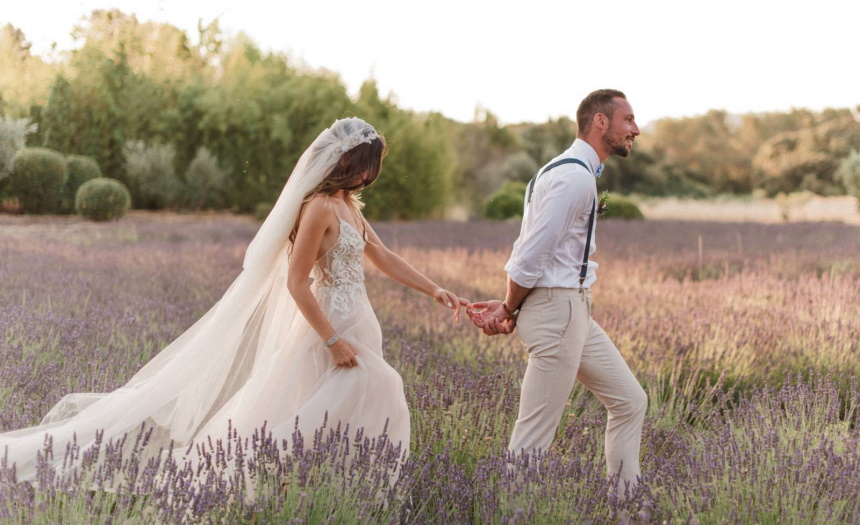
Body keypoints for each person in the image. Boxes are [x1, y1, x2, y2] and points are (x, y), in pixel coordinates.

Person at [0, 117, 466, 483]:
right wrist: (330, 340)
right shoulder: (319, 208)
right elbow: (297, 282)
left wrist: (435, 289)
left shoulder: (350, 205)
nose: (371, 175)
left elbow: (382, 255)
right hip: (328, 327)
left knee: (341, 411)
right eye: (367, 164)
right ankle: (268, 475)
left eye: (374, 166)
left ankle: (332, 485)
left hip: (359, 320)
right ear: (345, 160)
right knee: (374, 392)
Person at [468, 89, 647, 491]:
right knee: (533, 437)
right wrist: (509, 308)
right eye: (628, 120)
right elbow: (530, 256)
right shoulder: (572, 178)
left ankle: (628, 505)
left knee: (630, 401)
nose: (635, 129)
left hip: (571, 310)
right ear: (600, 122)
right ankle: (512, 516)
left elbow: (529, 251)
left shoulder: (564, 170)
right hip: (557, 312)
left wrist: (511, 304)